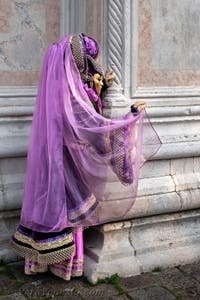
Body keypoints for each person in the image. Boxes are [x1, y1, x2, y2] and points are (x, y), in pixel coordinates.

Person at [11, 34, 160, 280]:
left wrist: (98, 90)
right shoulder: (74, 97)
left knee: (51, 205)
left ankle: (39, 262)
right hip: (71, 166)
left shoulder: (55, 92)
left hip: (52, 163)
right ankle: (67, 266)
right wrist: (129, 118)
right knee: (71, 211)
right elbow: (96, 129)